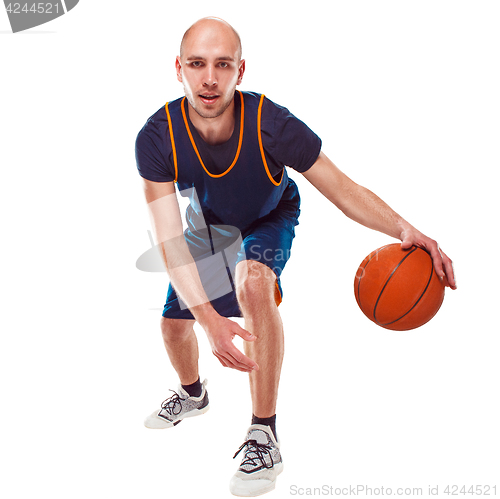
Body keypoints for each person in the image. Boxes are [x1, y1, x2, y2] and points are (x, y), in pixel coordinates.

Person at [135, 17, 456, 497]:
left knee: (252, 282)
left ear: (240, 71)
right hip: (208, 225)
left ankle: (264, 432)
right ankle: (193, 394)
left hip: (269, 214)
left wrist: (407, 229)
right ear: (176, 68)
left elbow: (342, 189)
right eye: (197, 64)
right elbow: (167, 238)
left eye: (222, 65)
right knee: (173, 325)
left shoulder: (272, 124)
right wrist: (206, 317)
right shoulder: (156, 137)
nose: (209, 78)